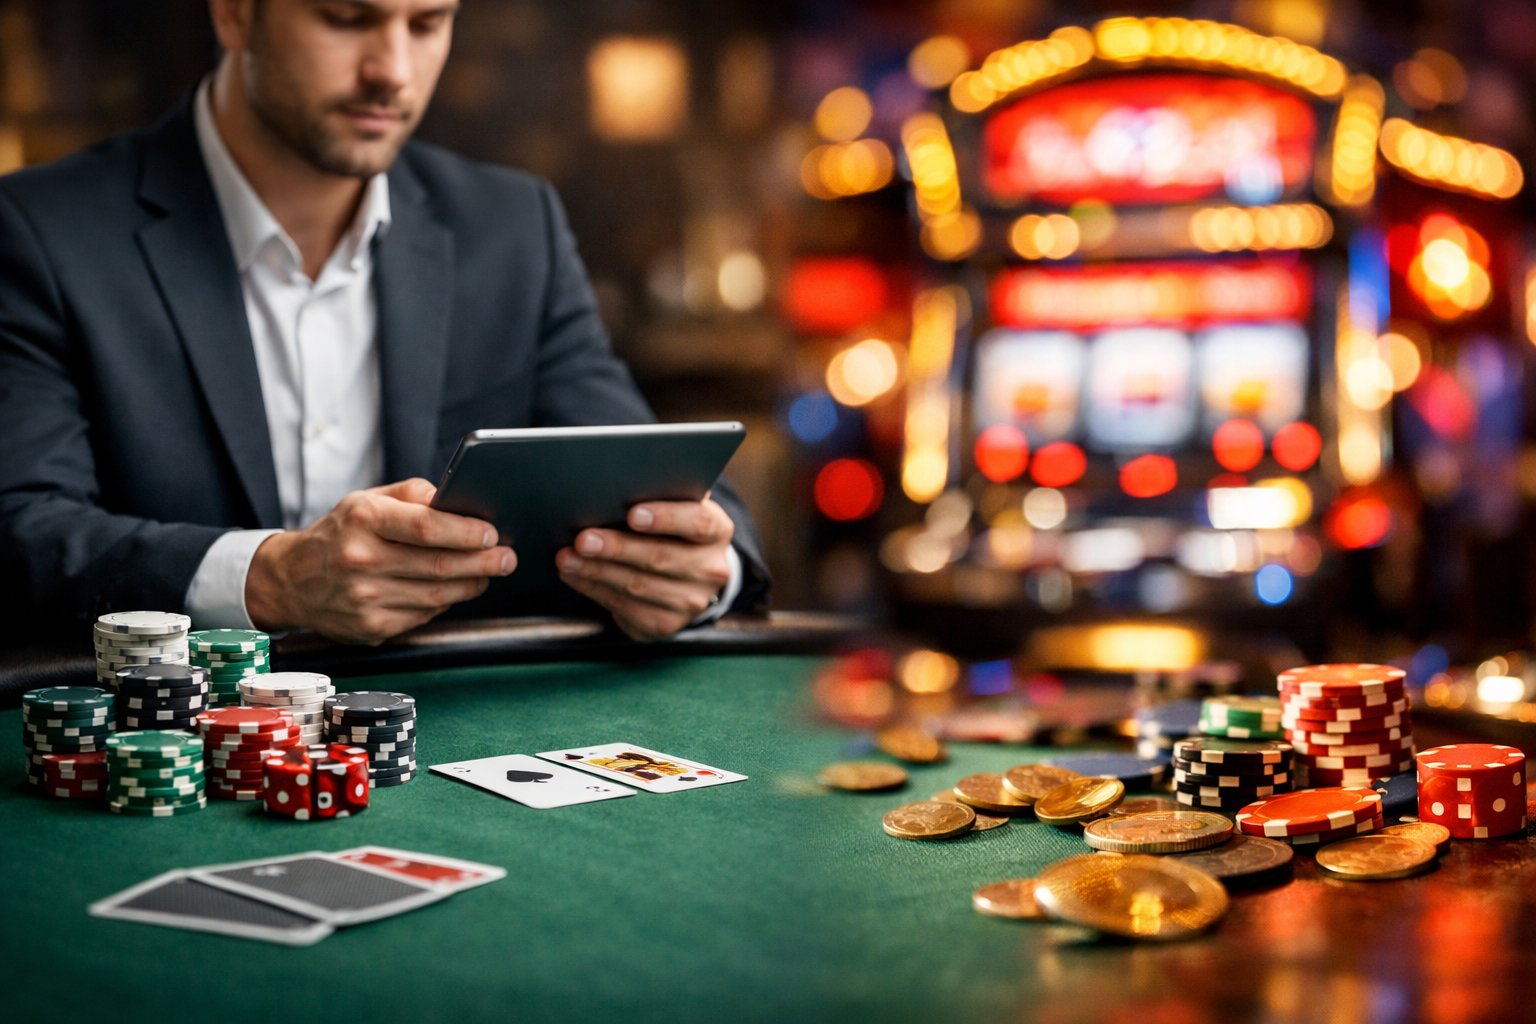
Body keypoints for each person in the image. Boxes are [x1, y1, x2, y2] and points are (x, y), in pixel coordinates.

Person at [0, 0, 768, 645]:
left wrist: (702, 570)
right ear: (235, 13)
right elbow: (21, 534)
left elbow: (651, 477)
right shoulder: (43, 231)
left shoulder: (511, 227)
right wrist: (271, 578)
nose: (392, 71)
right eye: (347, 18)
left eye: (427, 22)